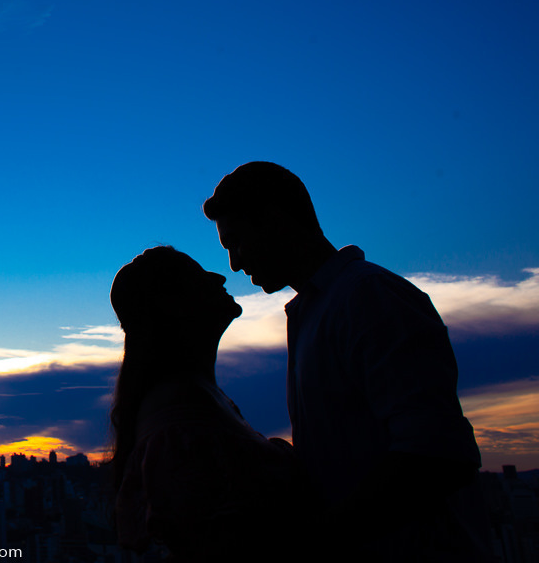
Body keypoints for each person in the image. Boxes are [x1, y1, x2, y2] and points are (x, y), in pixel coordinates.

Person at [203, 161, 487, 561]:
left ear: (274, 222)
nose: (234, 263)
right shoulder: (320, 309)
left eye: (236, 242)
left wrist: (315, 538)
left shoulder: (367, 297)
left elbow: (437, 455)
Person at [109, 246, 307, 561]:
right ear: (172, 305)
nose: (218, 276)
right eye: (196, 275)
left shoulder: (198, 400)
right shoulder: (180, 421)